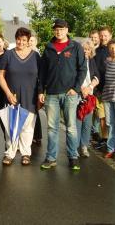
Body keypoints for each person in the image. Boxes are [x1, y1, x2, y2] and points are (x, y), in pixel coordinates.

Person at [38, 19, 86, 170]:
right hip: (51, 94)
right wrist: (40, 91)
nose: (58, 31)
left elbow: (82, 69)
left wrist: (76, 88)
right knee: (52, 128)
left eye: (61, 29)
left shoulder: (75, 47)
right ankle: (51, 158)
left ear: (67, 29)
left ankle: (73, 157)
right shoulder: (48, 48)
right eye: (56, 29)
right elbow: (42, 72)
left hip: (70, 94)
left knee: (71, 127)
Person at [0, 28, 40, 165]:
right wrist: (8, 93)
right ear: (15, 39)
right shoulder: (8, 55)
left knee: (27, 127)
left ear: (28, 42)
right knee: (11, 126)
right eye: (18, 39)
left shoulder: (35, 56)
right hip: (12, 96)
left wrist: (41, 94)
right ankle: (10, 153)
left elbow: (41, 78)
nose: (21, 42)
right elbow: (1, 76)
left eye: (24, 40)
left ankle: (25, 153)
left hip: (30, 96)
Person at [76, 39, 99, 157]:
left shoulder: (92, 61)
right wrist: (81, 89)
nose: (86, 51)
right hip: (77, 94)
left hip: (89, 95)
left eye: (88, 49)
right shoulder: (76, 61)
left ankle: (84, 146)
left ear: (91, 51)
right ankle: (75, 147)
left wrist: (89, 87)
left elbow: (97, 76)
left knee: (87, 122)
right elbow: (73, 77)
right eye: (84, 49)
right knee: (77, 121)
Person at [93, 26, 113, 148]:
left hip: (112, 89)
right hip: (99, 89)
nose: (103, 37)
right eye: (101, 35)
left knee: (112, 118)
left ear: (110, 36)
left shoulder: (114, 49)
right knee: (102, 116)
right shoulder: (96, 51)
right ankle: (104, 139)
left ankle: (113, 140)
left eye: (105, 35)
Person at [28, 33, 43, 145]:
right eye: (29, 40)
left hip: (35, 86)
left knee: (34, 112)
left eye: (32, 41)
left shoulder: (37, 54)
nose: (30, 42)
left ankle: (37, 135)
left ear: (36, 42)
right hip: (29, 86)